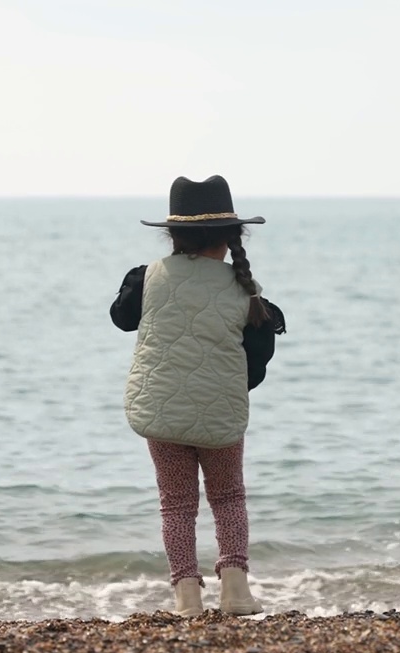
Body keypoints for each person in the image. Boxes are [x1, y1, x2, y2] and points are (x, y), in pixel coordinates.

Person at [109, 175, 285, 617]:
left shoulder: (146, 278)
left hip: (160, 410)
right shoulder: (245, 290)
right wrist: (229, 385)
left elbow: (121, 319)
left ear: (172, 236)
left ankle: (187, 596)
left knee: (176, 504)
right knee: (228, 497)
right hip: (220, 414)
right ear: (231, 238)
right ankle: (237, 592)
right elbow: (259, 356)